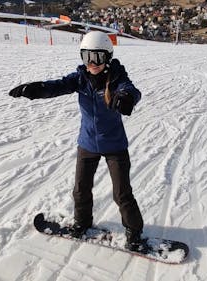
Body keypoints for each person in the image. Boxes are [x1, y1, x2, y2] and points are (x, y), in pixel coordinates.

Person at [8, 31, 145, 251]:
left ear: (108, 58)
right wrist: (36, 89)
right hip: (88, 143)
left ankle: (134, 233)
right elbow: (57, 86)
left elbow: (130, 90)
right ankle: (82, 223)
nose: (92, 63)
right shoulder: (80, 78)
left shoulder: (118, 78)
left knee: (122, 194)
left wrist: (127, 98)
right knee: (80, 189)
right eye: (86, 56)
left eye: (97, 57)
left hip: (115, 146)